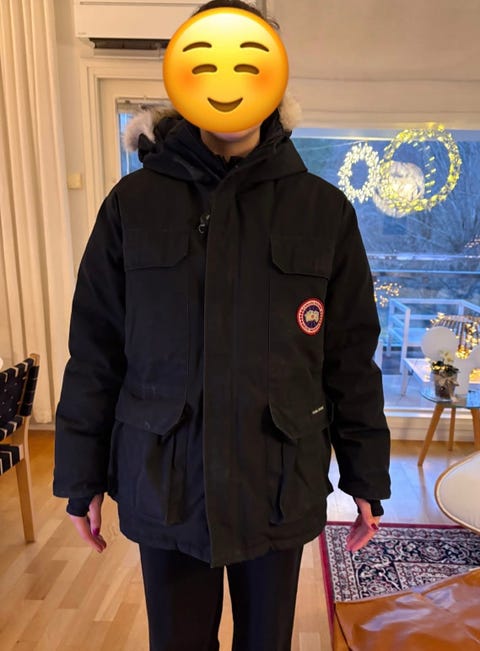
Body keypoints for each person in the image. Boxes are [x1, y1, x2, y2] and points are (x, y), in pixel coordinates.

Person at [53, 1, 391, 649]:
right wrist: (80, 475)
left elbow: (350, 355)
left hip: (277, 483)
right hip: (166, 482)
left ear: (276, 78)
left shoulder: (322, 211)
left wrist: (366, 475)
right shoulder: (132, 206)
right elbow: (95, 349)